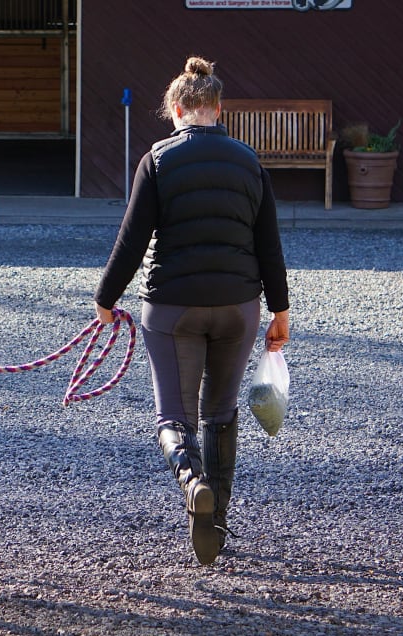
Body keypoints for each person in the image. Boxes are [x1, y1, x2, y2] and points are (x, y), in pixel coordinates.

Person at [93, 56, 289, 565]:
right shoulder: (248, 160)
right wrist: (281, 311)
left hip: (172, 308)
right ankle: (216, 524)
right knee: (221, 415)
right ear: (218, 108)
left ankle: (191, 478)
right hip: (237, 307)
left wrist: (106, 299)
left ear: (177, 109)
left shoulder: (157, 161)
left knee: (173, 415)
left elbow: (132, 240)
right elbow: (269, 244)